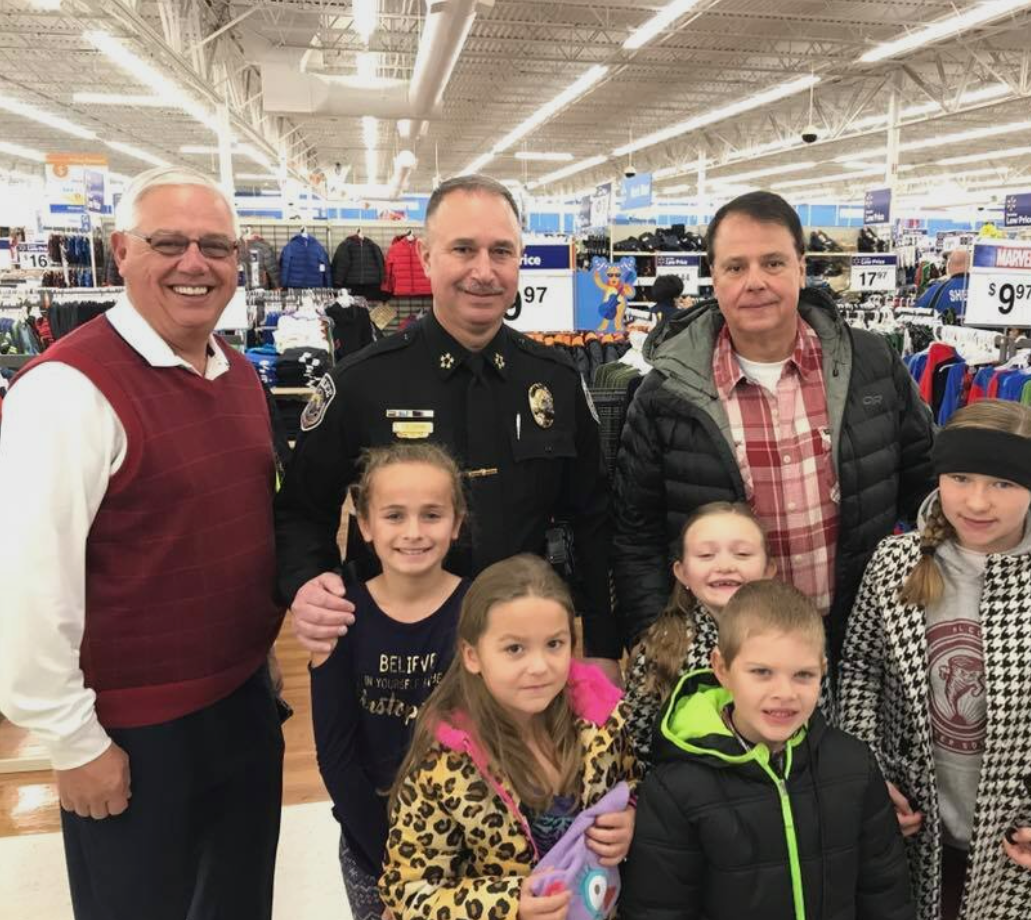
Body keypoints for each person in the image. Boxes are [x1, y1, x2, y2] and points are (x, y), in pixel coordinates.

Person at [0, 166, 285, 919]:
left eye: (216, 246)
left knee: (237, 902)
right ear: (122, 251)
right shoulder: (66, 390)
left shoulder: (238, 376)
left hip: (242, 705)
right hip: (130, 730)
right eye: (169, 243)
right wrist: (72, 741)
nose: (196, 263)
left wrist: (260, 663)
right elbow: (26, 584)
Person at [275, 175, 621, 683]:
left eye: (501, 251)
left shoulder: (556, 379)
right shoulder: (361, 382)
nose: (484, 271)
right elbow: (301, 511)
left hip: (525, 656)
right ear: (425, 257)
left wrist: (603, 644)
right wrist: (309, 583)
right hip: (394, 654)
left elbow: (593, 516)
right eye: (463, 249)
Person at [836, 400, 1031, 920]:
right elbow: (860, 671)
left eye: (1003, 483)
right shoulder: (894, 563)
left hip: (1024, 844)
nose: (977, 502)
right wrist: (870, 783)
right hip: (907, 828)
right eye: (960, 478)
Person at [613, 190, 934, 666]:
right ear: (714, 277)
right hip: (724, 657)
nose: (755, 282)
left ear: (801, 269)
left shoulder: (870, 364)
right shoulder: (665, 394)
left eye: (773, 263)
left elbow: (926, 485)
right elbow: (635, 534)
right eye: (735, 267)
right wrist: (654, 642)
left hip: (858, 649)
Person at [620, 580, 914, 920]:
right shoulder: (674, 789)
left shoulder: (855, 766)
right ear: (722, 669)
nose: (784, 693)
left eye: (803, 675)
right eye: (761, 672)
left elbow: (885, 894)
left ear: (822, 670)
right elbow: (658, 910)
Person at [380, 554, 639, 920]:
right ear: (472, 655)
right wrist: (509, 904)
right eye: (515, 648)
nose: (539, 666)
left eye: (554, 644)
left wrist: (632, 817)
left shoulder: (604, 721)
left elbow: (635, 782)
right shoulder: (443, 765)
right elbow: (409, 891)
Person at [309, 443, 470, 920]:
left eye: (432, 515)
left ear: (457, 523)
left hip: (471, 841)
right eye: (394, 516)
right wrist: (396, 866)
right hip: (372, 845)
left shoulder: (482, 612)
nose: (413, 532)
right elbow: (336, 758)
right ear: (364, 525)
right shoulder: (339, 619)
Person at [624, 501, 775, 767]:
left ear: (768, 570)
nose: (725, 565)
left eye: (742, 554)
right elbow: (637, 747)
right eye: (706, 555)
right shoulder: (660, 646)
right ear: (682, 572)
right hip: (686, 786)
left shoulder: (792, 638)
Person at [916, 249, 969, 320]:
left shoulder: (936, 291)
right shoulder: (981, 291)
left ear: (949, 265)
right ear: (969, 265)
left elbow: (915, 314)